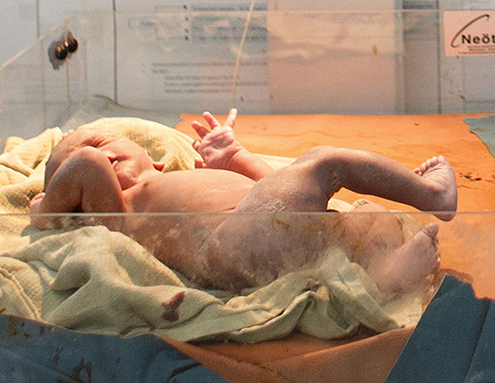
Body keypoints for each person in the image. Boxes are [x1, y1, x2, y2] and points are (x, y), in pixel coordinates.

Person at [28, 112, 458, 296]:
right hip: (230, 244)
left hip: (266, 234)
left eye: (106, 144)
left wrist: (235, 158)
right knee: (323, 163)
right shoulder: (120, 212)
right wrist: (48, 209)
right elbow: (85, 166)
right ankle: (433, 196)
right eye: (87, 156)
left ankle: (385, 274)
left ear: (155, 159)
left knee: (364, 219)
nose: (99, 154)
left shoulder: (175, 180)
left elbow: (276, 194)